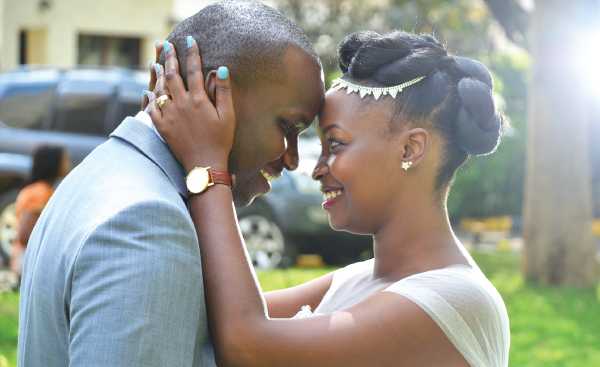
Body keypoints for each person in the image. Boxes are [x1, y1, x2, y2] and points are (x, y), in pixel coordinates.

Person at [151, 30, 510, 366]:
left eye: (335, 144)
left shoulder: (456, 300)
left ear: (410, 148)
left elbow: (246, 343)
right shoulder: (355, 281)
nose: (316, 168)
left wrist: (207, 163)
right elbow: (208, 315)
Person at [17, 1, 323, 366]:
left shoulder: (101, 173)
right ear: (213, 93)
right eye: (288, 127)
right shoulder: (146, 222)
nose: (293, 158)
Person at [11, 145, 70, 278]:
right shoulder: (40, 192)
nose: (68, 164)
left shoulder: (43, 189)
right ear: (53, 163)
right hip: (28, 261)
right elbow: (24, 235)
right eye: (64, 160)